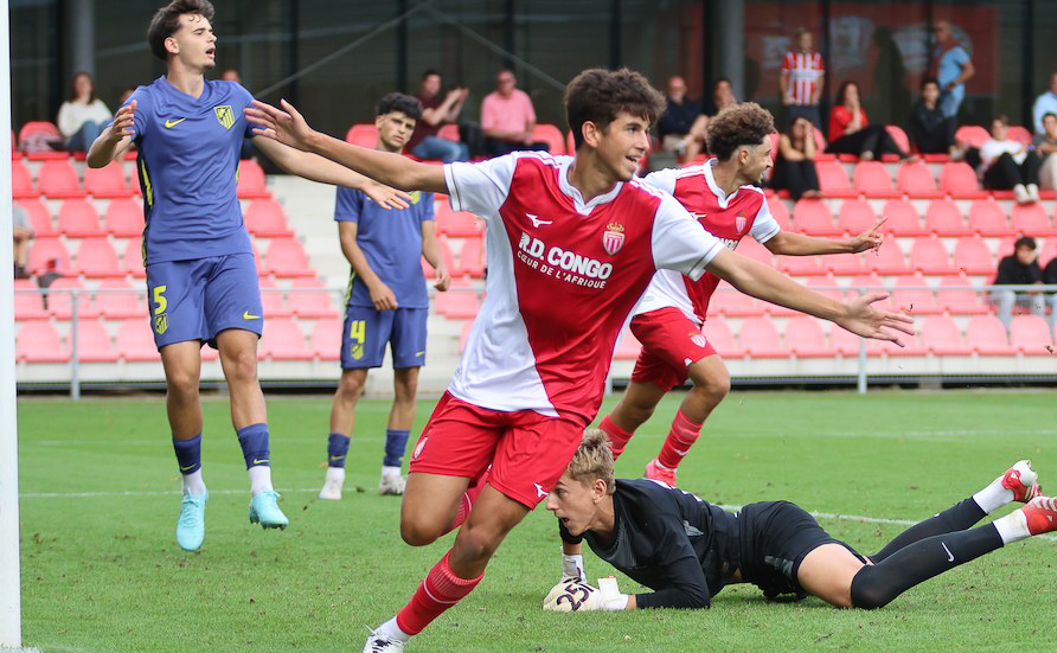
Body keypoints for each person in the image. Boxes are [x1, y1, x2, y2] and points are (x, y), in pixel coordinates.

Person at [244, 67, 914, 653]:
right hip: (479, 389)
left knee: (479, 539)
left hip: (558, 406)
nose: (644, 143)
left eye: (648, 129)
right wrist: (313, 141)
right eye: (632, 128)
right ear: (591, 132)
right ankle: (493, 478)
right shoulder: (519, 176)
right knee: (419, 527)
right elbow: (407, 173)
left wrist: (838, 310)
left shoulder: (652, 213)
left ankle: (393, 634)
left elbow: (743, 269)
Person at [85, 0, 410, 552]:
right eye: (199, 29)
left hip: (229, 252)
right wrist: (108, 136)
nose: (211, 36)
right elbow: (100, 158)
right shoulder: (145, 102)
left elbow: (292, 157)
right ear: (172, 44)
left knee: (243, 362)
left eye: (211, 28)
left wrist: (361, 180)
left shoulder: (233, 99)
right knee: (183, 379)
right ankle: (194, 490)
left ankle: (262, 486)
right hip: (170, 257)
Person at [591, 103, 885, 491]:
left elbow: (779, 242)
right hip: (653, 304)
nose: (771, 162)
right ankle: (662, 472)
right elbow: (614, 203)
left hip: (689, 314)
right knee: (715, 381)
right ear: (744, 155)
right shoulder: (673, 184)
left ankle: (582, 470)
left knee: (638, 407)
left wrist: (847, 246)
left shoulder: (752, 200)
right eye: (766, 153)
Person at [543, 430, 1057, 612]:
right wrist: (573, 580)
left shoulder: (649, 510)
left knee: (866, 590)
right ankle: (1001, 490)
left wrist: (608, 603)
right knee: (873, 565)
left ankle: (1024, 521)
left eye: (560, 492)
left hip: (768, 535)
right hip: (759, 558)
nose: (551, 504)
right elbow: (570, 542)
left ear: (598, 489)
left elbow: (693, 594)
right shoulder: (580, 516)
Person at [320, 93, 452, 501]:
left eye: (409, 126)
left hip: (412, 297)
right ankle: (335, 475)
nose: (402, 130)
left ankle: (391, 474)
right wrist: (374, 283)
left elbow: (427, 236)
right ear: (378, 122)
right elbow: (348, 239)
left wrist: (439, 264)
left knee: (408, 384)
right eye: (396, 122)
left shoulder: (418, 177)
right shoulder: (354, 174)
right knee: (352, 383)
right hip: (367, 296)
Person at [826, 81, 907, 161]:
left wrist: (853, 127)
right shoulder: (838, 111)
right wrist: (856, 107)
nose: (853, 95)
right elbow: (856, 128)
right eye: (850, 92)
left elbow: (862, 131)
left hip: (854, 144)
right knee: (875, 129)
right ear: (843, 94)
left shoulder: (861, 112)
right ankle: (868, 152)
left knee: (879, 130)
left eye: (854, 92)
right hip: (837, 145)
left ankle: (900, 154)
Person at [408, 69, 471, 163]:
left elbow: (450, 118)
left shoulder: (436, 102)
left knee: (464, 149)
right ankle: (444, 173)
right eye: (431, 82)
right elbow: (433, 120)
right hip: (419, 144)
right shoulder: (416, 100)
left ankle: (457, 173)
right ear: (423, 83)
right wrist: (450, 99)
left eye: (437, 83)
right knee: (454, 150)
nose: (434, 86)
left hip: (435, 141)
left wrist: (459, 102)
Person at [480, 69, 548, 156]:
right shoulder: (489, 100)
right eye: (501, 82)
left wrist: (527, 134)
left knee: (543, 147)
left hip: (521, 142)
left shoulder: (523, 97)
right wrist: (512, 135)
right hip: (501, 142)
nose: (504, 84)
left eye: (507, 81)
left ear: (514, 81)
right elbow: (487, 131)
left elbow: (531, 120)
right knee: (498, 148)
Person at [979, 115, 1041, 204]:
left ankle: (1032, 189)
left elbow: (1023, 164)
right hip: (999, 180)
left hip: (1019, 177)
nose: (998, 130)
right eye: (995, 128)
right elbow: (994, 160)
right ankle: (1020, 191)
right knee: (1005, 156)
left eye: (1002, 127)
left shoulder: (1016, 145)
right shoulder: (987, 145)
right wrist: (1016, 153)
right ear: (991, 130)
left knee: (1033, 155)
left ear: (1007, 129)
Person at [989, 236, 1044, 329]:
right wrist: (1026, 291)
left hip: (1021, 297)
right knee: (1009, 296)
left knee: (1038, 298)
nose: (1024, 253)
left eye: (1027, 250)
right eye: (1021, 250)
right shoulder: (1006, 261)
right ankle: (1004, 330)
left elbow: (1038, 282)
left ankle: (1039, 328)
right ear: (1016, 250)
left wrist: (1030, 265)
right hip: (1000, 295)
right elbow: (1004, 283)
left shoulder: (1033, 264)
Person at [681, 78, 740, 164]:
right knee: (695, 141)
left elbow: (730, 125)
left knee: (706, 119)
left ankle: (684, 142)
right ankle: (686, 169)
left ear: (730, 90)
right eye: (721, 88)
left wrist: (726, 103)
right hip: (709, 138)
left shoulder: (736, 106)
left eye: (726, 88)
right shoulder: (710, 105)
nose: (724, 91)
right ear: (716, 91)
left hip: (727, 137)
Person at [928, 20, 974, 119]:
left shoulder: (956, 50)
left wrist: (953, 83)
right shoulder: (937, 50)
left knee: (946, 120)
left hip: (951, 94)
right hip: (939, 93)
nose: (937, 33)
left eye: (940, 30)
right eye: (935, 30)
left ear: (948, 31)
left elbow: (970, 70)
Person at [781, 28, 825, 129]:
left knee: (815, 130)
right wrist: (784, 94)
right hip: (794, 102)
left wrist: (817, 93)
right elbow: (783, 76)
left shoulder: (816, 57)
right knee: (792, 130)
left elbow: (821, 77)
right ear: (798, 41)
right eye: (804, 39)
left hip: (811, 103)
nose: (806, 42)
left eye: (808, 40)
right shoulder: (790, 56)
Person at [57, 72, 112, 153]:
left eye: (85, 82)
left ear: (91, 86)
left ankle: (111, 154)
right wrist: (86, 131)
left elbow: (109, 124)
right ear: (74, 87)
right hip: (75, 141)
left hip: (98, 140)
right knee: (89, 125)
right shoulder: (68, 105)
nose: (83, 85)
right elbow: (64, 130)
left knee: (107, 123)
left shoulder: (98, 104)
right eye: (79, 83)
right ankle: (93, 157)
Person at [770, 115, 820, 200]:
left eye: (803, 126)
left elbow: (810, 156)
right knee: (792, 163)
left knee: (808, 163)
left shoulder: (806, 141)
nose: (800, 128)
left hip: (798, 180)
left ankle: (813, 190)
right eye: (798, 125)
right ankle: (800, 193)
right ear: (792, 126)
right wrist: (805, 156)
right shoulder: (784, 138)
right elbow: (789, 155)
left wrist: (808, 134)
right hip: (781, 179)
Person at [655, 75, 702, 161]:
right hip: (671, 138)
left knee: (704, 118)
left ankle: (684, 143)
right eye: (673, 89)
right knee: (693, 144)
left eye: (679, 89)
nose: (676, 91)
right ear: (668, 89)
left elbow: (697, 120)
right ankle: (686, 168)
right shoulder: (663, 106)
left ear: (684, 89)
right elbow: (668, 126)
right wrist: (692, 132)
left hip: (688, 139)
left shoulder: (691, 105)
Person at [909, 76, 957, 155]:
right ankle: (953, 150)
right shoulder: (918, 110)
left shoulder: (938, 110)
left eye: (933, 89)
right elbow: (929, 130)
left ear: (938, 93)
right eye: (928, 90)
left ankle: (955, 149)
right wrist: (944, 127)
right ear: (923, 93)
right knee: (951, 121)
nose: (931, 93)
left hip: (938, 144)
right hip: (926, 146)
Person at [12, 201, 33, 279]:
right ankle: (21, 267)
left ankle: (19, 268)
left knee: (22, 238)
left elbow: (28, 230)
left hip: (18, 237)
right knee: (20, 237)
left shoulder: (20, 211)